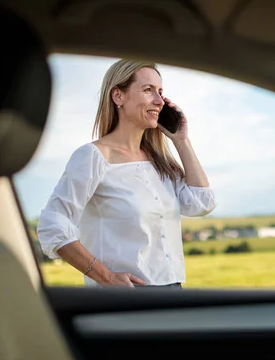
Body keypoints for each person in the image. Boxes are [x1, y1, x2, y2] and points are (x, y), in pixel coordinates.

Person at [36, 59, 216, 288]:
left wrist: (181, 141)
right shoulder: (93, 157)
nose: (159, 101)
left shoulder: (160, 163)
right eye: (148, 90)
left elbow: (202, 203)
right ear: (118, 96)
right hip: (124, 297)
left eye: (161, 92)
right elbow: (53, 225)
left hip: (173, 291)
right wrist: (106, 277)